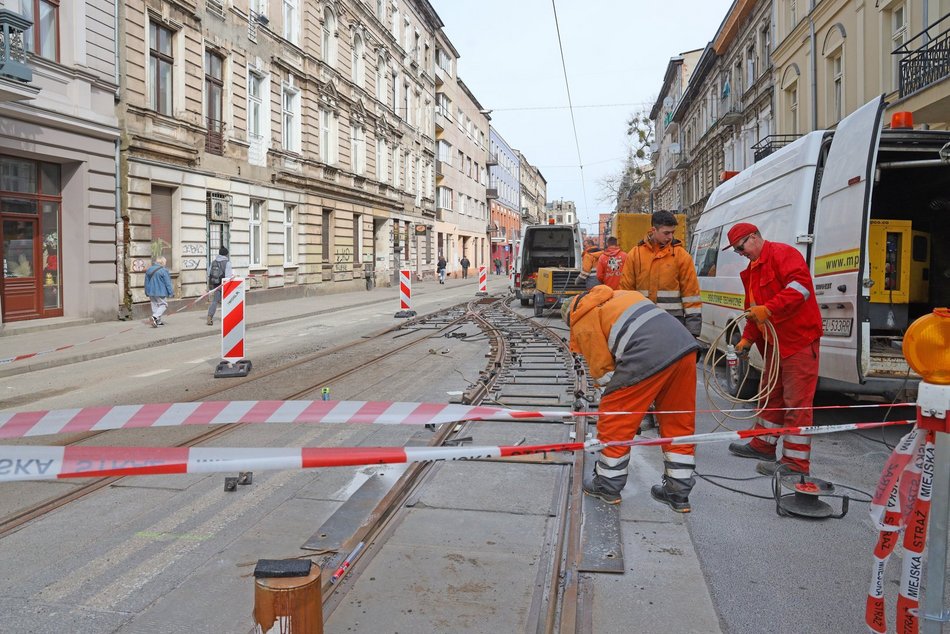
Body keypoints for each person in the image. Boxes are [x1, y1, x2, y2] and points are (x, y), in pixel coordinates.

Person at [561, 285, 700, 512]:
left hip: (648, 351)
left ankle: (607, 485)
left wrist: (627, 409)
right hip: (684, 347)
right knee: (678, 420)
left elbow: (605, 373)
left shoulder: (582, 318)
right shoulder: (620, 295)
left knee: (615, 418)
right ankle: (678, 493)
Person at [723, 223, 823, 476]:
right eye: (736, 250)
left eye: (740, 247)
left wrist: (770, 309)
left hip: (798, 341)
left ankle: (795, 464)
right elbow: (754, 313)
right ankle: (763, 445)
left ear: (754, 237)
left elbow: (800, 289)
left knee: (796, 404)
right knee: (770, 395)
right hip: (775, 345)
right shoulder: (752, 272)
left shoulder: (782, 254)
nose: (740, 253)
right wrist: (746, 339)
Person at [619, 210, 702, 337]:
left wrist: (693, 330)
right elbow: (626, 291)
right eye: (666, 233)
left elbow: (691, 293)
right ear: (653, 230)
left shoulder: (681, 256)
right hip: (642, 322)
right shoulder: (635, 254)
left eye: (672, 233)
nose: (670, 237)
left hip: (672, 323)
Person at [206, 246, 233, 326]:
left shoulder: (213, 262)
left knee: (215, 301)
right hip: (224, 284)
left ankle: (209, 317)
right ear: (226, 254)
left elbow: (209, 274)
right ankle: (228, 318)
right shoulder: (227, 263)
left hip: (216, 284)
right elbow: (228, 276)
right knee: (229, 300)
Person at [144, 256, 174, 328]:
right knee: (163, 305)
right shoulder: (164, 270)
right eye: (165, 262)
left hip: (151, 291)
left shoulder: (149, 269)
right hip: (160, 291)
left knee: (155, 306)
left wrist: (146, 291)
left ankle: (158, 321)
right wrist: (171, 292)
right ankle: (154, 317)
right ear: (162, 262)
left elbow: (146, 282)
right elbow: (168, 283)